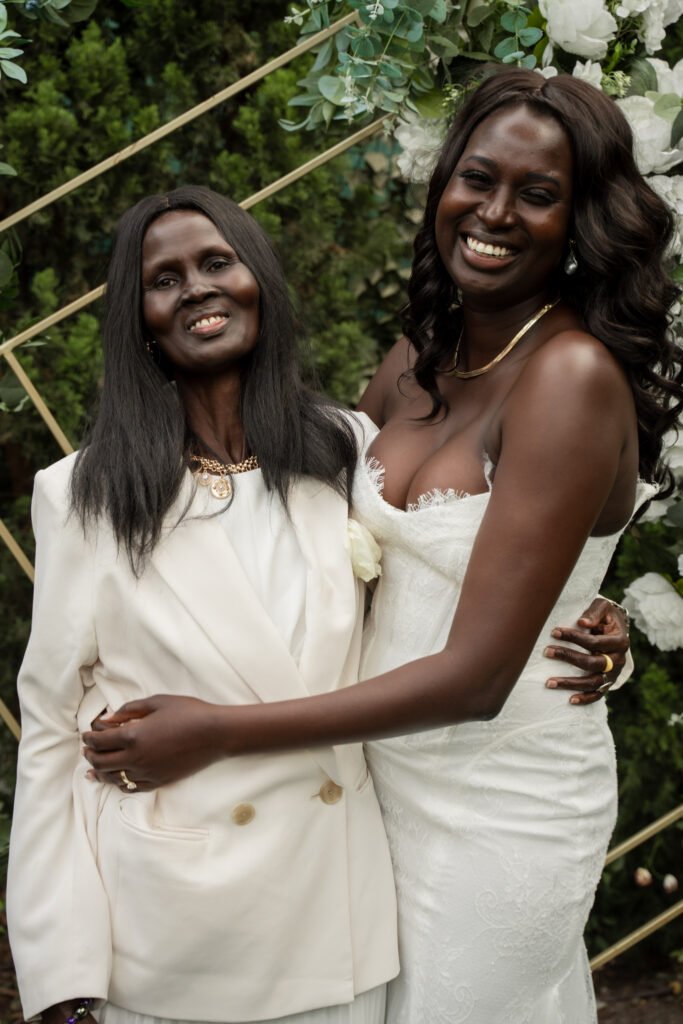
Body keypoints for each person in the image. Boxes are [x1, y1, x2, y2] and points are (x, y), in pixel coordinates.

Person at [77, 68, 683, 1022]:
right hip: (365, 784)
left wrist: (217, 733)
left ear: (582, 222)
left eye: (537, 194)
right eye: (477, 179)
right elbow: (309, 537)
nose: (494, 212)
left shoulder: (569, 376)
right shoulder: (417, 359)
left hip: (497, 802)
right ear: (442, 182)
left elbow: (479, 678)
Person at [7, 188, 400, 1024]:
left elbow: (444, 601)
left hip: (341, 921)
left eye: (216, 262)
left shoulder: (346, 447)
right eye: (165, 278)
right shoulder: (83, 494)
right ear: (141, 320)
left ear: (256, 277)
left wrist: (594, 627)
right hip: (176, 933)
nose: (196, 288)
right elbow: (49, 732)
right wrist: (61, 973)